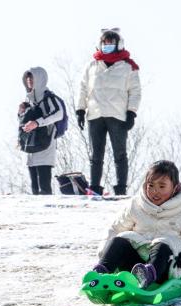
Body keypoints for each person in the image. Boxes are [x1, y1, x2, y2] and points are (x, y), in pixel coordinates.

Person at [91, 160, 181, 288]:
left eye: (162, 186)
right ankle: (100, 274)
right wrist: (105, 253)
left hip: (165, 270)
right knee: (120, 239)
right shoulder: (136, 206)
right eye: (151, 185)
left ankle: (148, 275)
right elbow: (114, 230)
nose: (155, 191)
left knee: (163, 244)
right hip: (135, 268)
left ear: (175, 188)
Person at [76, 28, 142, 196]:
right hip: (95, 114)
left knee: (120, 154)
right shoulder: (92, 65)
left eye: (111, 42)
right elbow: (83, 88)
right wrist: (80, 110)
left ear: (118, 44)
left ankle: (121, 188)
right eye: (105, 43)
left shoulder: (128, 67)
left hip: (117, 115)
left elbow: (135, 91)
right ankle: (95, 187)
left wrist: (131, 112)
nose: (107, 45)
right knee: (96, 155)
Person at [18, 67, 65, 195]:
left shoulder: (49, 97)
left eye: (32, 77)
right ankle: (37, 213)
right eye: (27, 77)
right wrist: (21, 114)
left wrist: (37, 123)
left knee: (44, 187)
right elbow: (25, 122)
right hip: (31, 146)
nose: (29, 80)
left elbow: (59, 114)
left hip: (46, 145)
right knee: (34, 188)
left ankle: (48, 212)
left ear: (40, 79)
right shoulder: (29, 100)